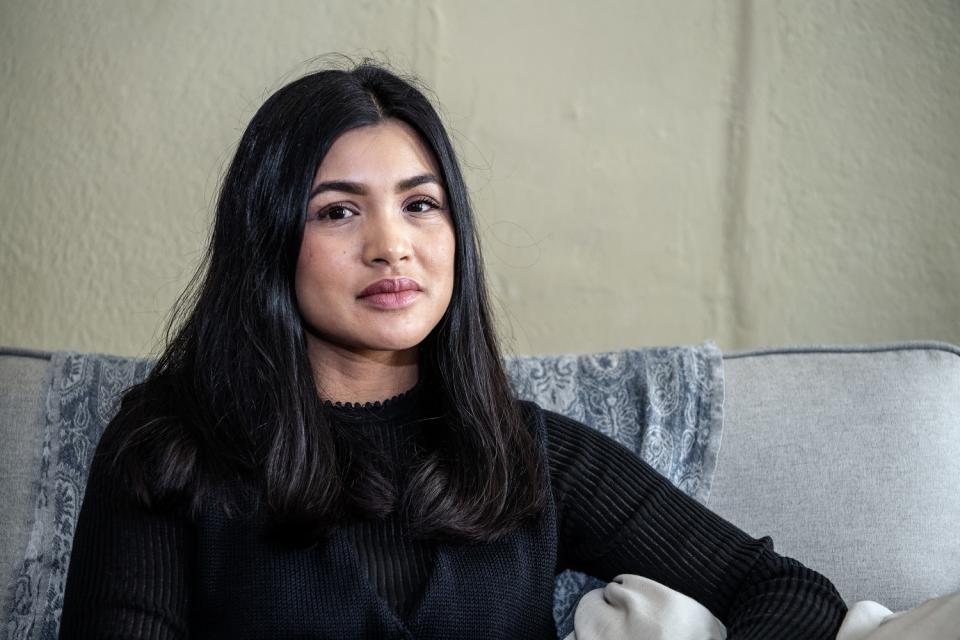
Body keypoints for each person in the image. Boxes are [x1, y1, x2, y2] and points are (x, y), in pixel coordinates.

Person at [60, 61, 847, 639]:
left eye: (420, 205)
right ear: (268, 241)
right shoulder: (167, 448)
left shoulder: (528, 452)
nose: (391, 246)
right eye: (337, 212)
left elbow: (786, 591)